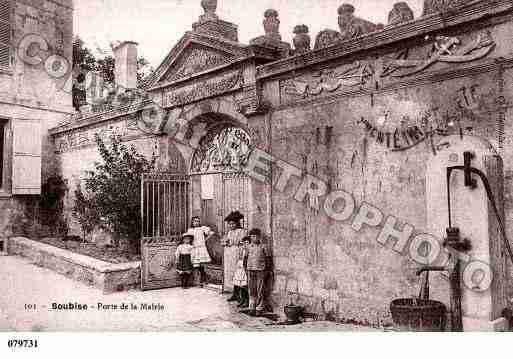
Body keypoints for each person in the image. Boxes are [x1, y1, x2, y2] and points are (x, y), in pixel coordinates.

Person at [245, 228, 272, 317]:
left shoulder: (264, 246)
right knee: (251, 290)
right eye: (252, 236)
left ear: (259, 237)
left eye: (256, 236)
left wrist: (267, 270)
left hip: (260, 270)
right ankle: (251, 307)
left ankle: (259, 308)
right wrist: (246, 268)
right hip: (250, 270)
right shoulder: (248, 247)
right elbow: (245, 258)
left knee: (260, 289)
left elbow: (268, 259)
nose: (254, 238)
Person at [222, 211, 247, 301]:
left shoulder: (242, 231)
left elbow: (241, 242)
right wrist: (226, 242)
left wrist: (233, 243)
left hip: (237, 253)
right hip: (230, 254)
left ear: (237, 223)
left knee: (238, 274)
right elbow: (226, 241)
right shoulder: (229, 232)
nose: (231, 226)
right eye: (230, 224)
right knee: (231, 273)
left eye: (233, 224)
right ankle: (234, 293)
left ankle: (240, 294)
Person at [186, 216, 214, 287]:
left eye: (198, 221)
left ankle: (203, 279)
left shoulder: (202, 228)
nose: (196, 222)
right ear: (192, 222)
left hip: (201, 248)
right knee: (196, 265)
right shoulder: (190, 230)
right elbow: (188, 239)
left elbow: (211, 233)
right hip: (194, 248)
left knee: (201, 265)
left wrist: (204, 240)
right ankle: (197, 281)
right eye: (195, 221)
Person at [232, 236, 250, 308]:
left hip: (246, 269)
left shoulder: (249, 251)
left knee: (245, 285)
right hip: (240, 269)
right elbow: (239, 259)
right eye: (244, 243)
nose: (245, 245)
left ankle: (247, 301)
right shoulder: (242, 251)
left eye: (247, 243)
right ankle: (242, 300)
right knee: (241, 285)